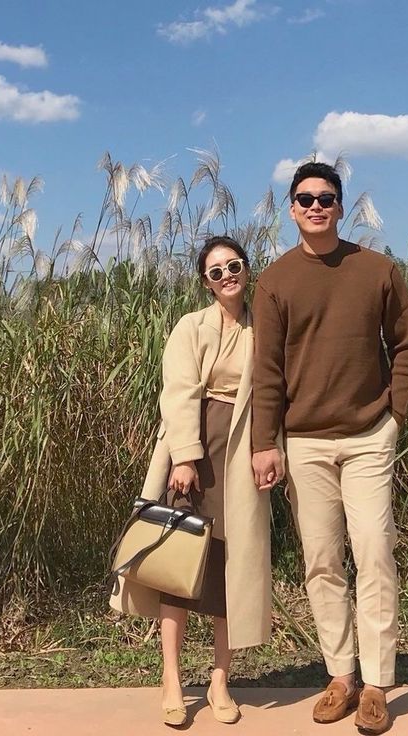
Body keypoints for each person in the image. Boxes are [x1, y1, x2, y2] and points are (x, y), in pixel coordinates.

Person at [251, 162, 408, 734]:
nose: (317, 206)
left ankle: (376, 684)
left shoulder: (377, 270)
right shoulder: (274, 282)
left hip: (370, 436)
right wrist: (264, 444)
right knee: (322, 561)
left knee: (374, 551)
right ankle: (340, 676)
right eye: (305, 198)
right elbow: (266, 372)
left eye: (327, 197)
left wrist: (394, 416)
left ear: (342, 207)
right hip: (305, 443)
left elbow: (406, 345)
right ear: (292, 208)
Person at [110, 235, 274, 726]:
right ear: (205, 282)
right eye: (216, 271)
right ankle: (172, 680)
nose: (227, 276)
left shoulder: (262, 326)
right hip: (195, 446)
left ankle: (221, 680)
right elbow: (178, 392)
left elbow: (273, 391)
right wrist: (184, 457)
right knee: (178, 564)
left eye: (234, 266)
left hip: (241, 450)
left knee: (230, 568)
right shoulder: (190, 327)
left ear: (247, 269)